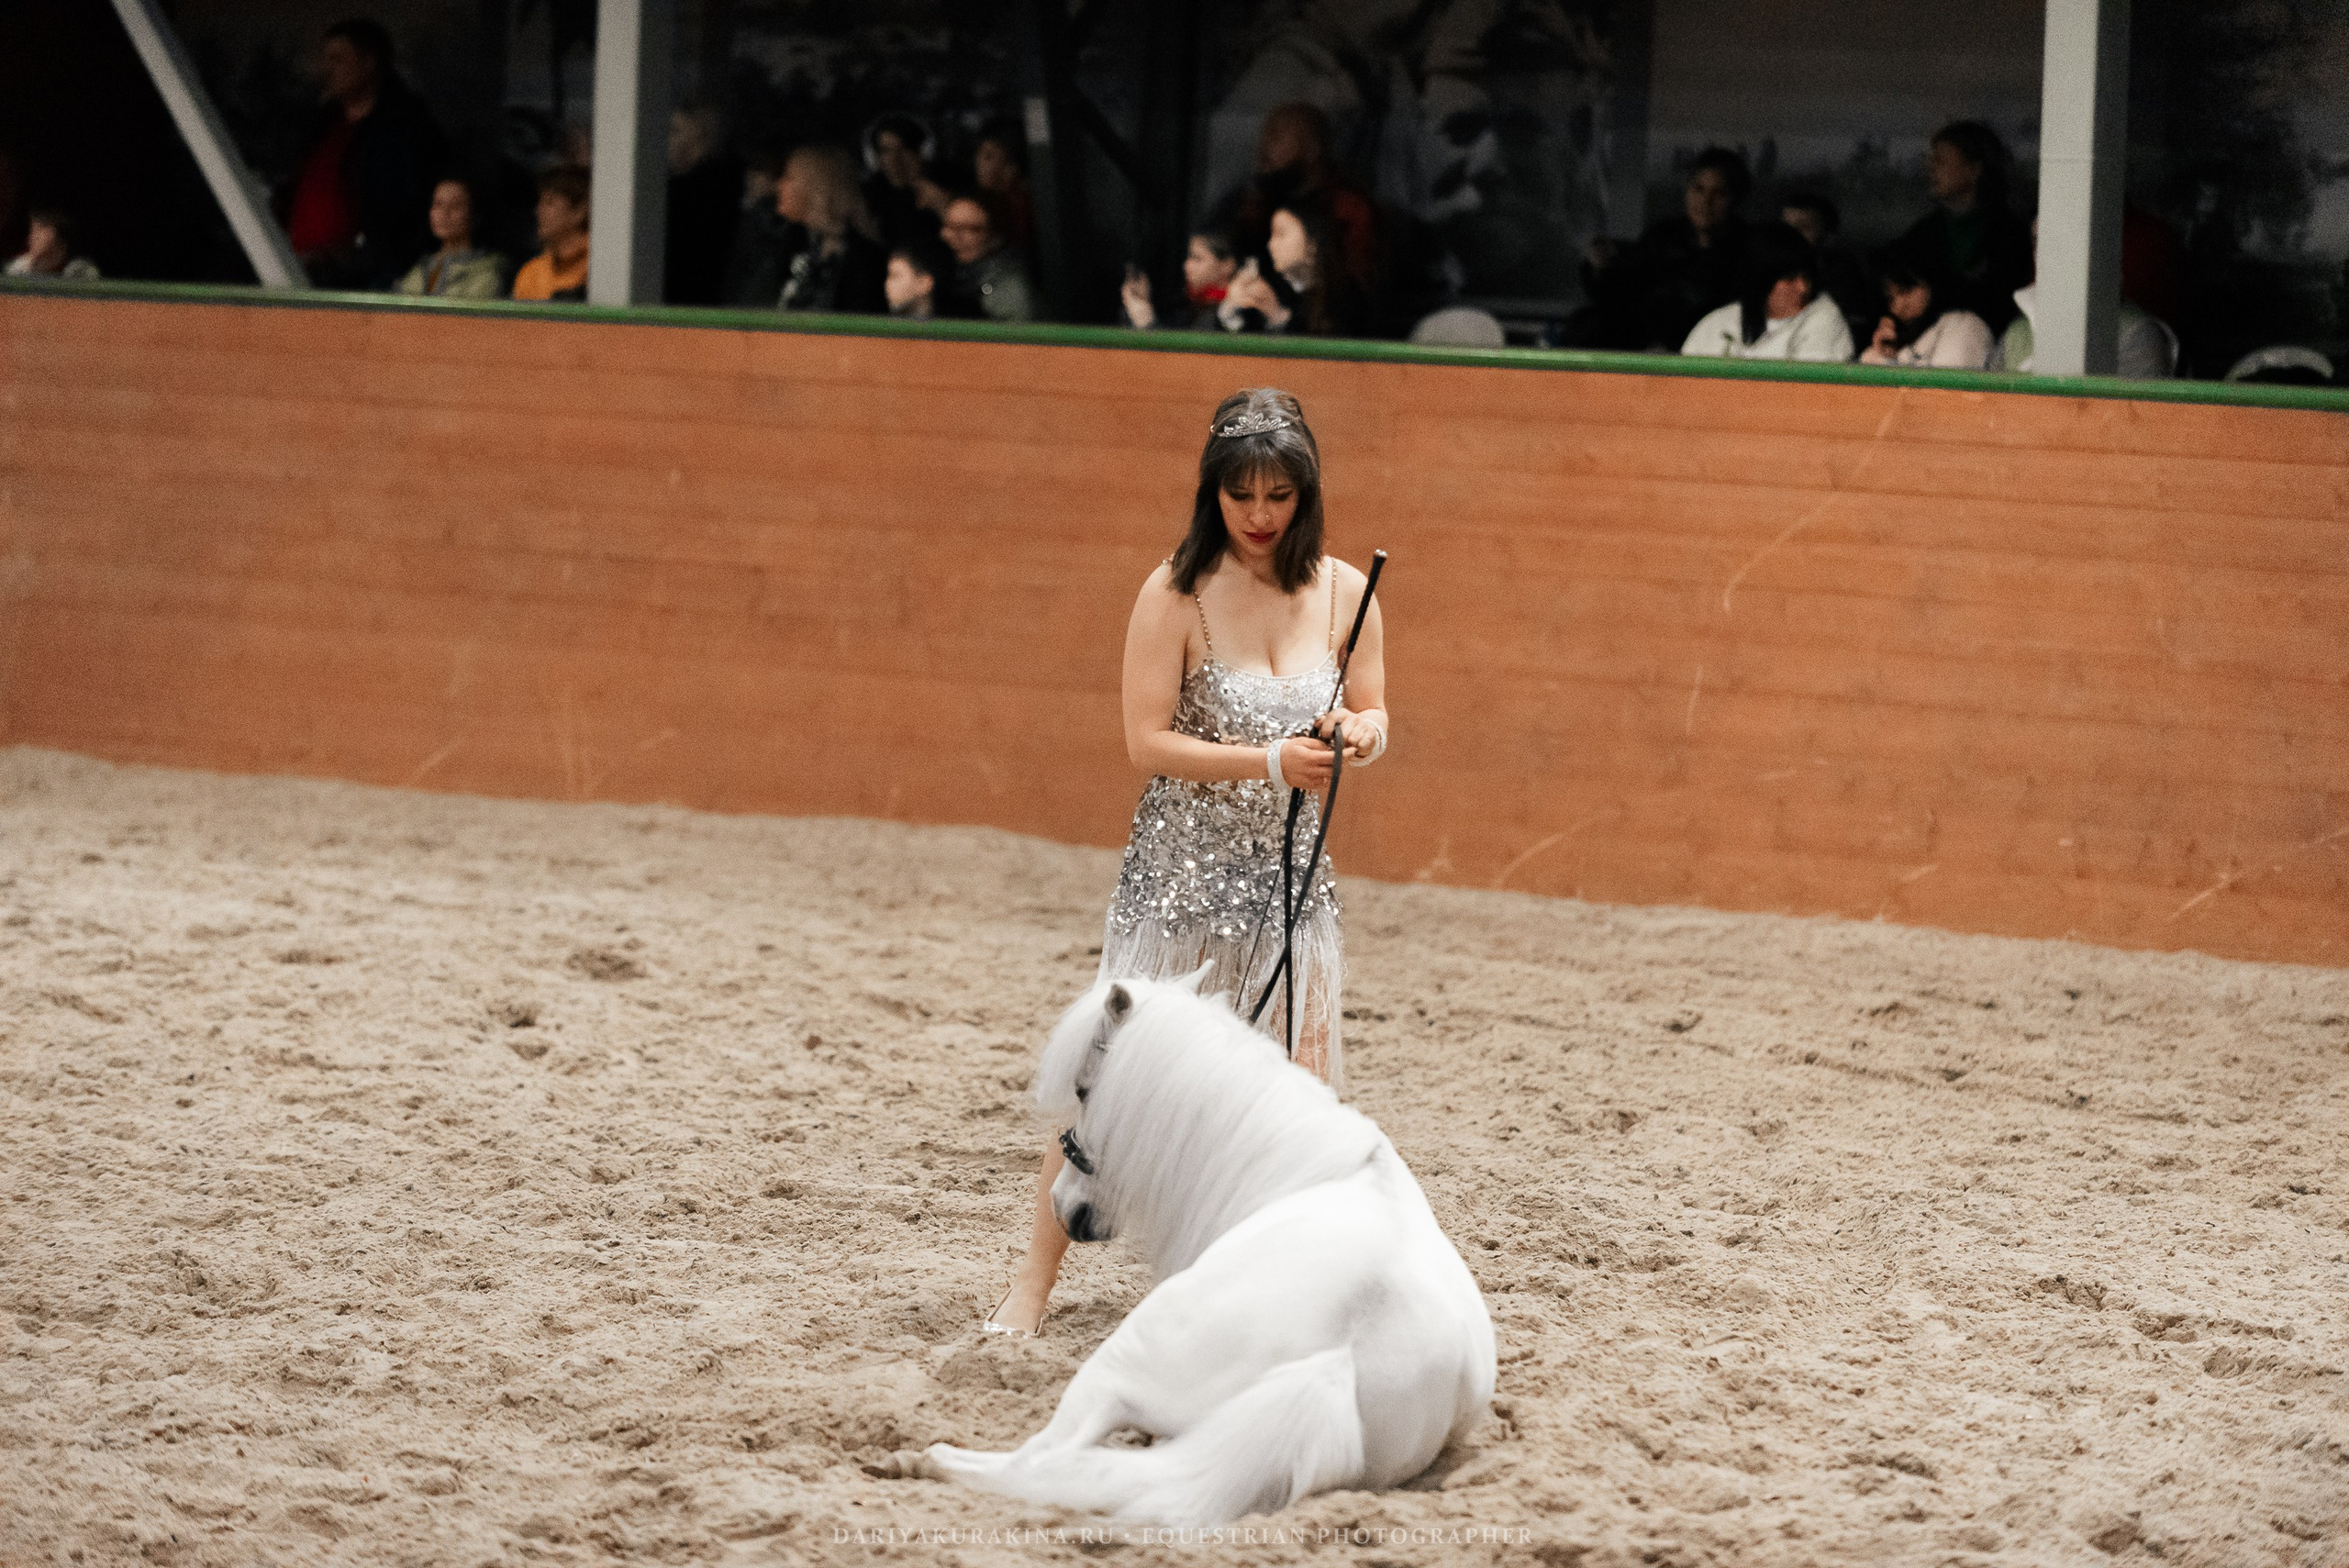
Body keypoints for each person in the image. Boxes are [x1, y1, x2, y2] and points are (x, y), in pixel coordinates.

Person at [982, 386, 1388, 1339]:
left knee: (1293, 1096)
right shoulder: (1172, 591)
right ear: (1212, 491)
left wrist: (1360, 734)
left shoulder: (1347, 590)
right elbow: (1146, 741)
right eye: (1240, 494)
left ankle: (1267, 1297)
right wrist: (1269, 761)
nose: (1259, 515)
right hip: (1179, 877)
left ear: (1306, 494)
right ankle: (1030, 1288)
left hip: (1289, 882)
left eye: (1279, 495)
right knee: (1109, 1080)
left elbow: (1374, 710)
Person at [281, 17, 446, 289]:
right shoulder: (322, 125)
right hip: (299, 273)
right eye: (326, 59)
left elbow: (404, 213)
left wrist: (352, 258)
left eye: (337, 59)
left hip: (359, 283)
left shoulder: (402, 129)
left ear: (368, 63)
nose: (327, 69)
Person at [1569, 147, 1751, 350]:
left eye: (1718, 194)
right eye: (1698, 189)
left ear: (1734, 199)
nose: (1705, 202)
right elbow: (1621, 292)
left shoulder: (1746, 251)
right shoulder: (1664, 237)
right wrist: (1601, 266)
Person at [1209, 103, 1378, 299]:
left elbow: (1356, 286)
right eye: (1264, 137)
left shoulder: (1348, 210)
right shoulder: (1253, 203)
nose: (1264, 147)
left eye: (1276, 137)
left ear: (1312, 149)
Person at [1894, 121, 2033, 336]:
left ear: (1974, 170)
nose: (1931, 168)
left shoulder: (2009, 235)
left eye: (1941, 160)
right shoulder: (1924, 233)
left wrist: (1936, 296)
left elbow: (1999, 300)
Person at [1998, 218, 2176, 379]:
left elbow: (2131, 406)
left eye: (2060, 242)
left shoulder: (2135, 334)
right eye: (2038, 242)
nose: (2044, 255)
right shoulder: (2016, 334)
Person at [1681, 221, 1854, 362]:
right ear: (1760, 281)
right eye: (1790, 279)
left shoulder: (1824, 319)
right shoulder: (1717, 324)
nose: (1803, 287)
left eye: (1806, 277)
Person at [1219, 203, 1368, 338]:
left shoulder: (1344, 295)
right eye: (1271, 235)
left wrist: (1278, 317)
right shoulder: (1273, 288)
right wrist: (1229, 313)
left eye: (1281, 234)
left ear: (1312, 244)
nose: (1271, 245)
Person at [774, 145, 886, 315]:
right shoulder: (792, 240)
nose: (780, 185)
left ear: (815, 187)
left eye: (789, 177)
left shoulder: (864, 261)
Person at [1859, 251, 1997, 369]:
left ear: (1931, 282)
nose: (1899, 305)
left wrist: (1887, 363)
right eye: (1891, 299)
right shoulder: (1907, 339)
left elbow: (1945, 386)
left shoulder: (1964, 325)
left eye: (1906, 290)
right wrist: (1884, 353)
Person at [665, 106, 742, 306]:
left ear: (699, 135)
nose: (665, 139)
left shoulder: (702, 193)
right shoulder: (672, 191)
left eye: (674, 130)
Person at [1778, 191, 1875, 348]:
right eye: (1785, 227)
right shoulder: (1768, 267)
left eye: (1803, 227)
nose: (1791, 235)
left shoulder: (1842, 273)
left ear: (1828, 235)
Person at [392, 176, 504, 298]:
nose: (444, 213)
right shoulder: (420, 267)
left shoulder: (486, 272)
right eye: (438, 204)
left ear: (475, 215)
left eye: (456, 206)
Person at [939, 192, 1037, 322]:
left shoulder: (1011, 291)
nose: (951, 236)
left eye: (971, 229)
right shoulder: (942, 272)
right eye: (948, 226)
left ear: (996, 237)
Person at [1120, 229, 1239, 331]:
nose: (1187, 266)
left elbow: (1195, 349)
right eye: (1188, 258)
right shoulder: (1181, 306)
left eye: (1197, 258)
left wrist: (1147, 323)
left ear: (1227, 265)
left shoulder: (1238, 310)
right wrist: (1140, 306)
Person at [861, 115, 948, 251]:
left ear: (922, 152)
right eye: (886, 151)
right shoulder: (867, 196)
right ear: (876, 158)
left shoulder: (941, 188)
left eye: (905, 149)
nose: (895, 159)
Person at [511, 164, 591, 303]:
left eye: (550, 202)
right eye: (540, 202)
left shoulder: (597, 265)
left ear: (579, 211)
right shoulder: (531, 272)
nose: (538, 211)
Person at [972, 119, 1037, 254]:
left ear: (1011, 166)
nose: (979, 163)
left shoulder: (1023, 207)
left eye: (988, 157)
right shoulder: (991, 201)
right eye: (979, 154)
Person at [6, 208, 100, 280]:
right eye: (33, 232)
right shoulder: (19, 268)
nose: (32, 238)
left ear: (60, 241)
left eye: (40, 232)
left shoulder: (81, 271)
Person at [884, 237, 952, 320]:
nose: (887, 285)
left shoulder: (955, 325)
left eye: (895, 276)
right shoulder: (879, 326)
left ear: (924, 283)